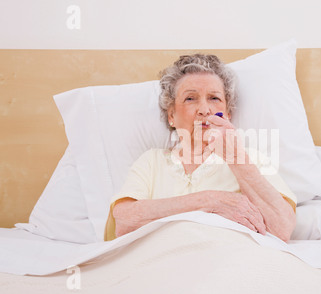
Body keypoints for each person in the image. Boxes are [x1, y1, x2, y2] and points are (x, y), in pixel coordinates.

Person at [104, 54, 296, 242]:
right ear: (171, 115)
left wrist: (236, 158)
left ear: (227, 114)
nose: (204, 109)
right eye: (190, 99)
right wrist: (209, 202)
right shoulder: (152, 161)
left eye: (214, 98)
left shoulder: (251, 159)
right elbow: (124, 222)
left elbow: (282, 229)